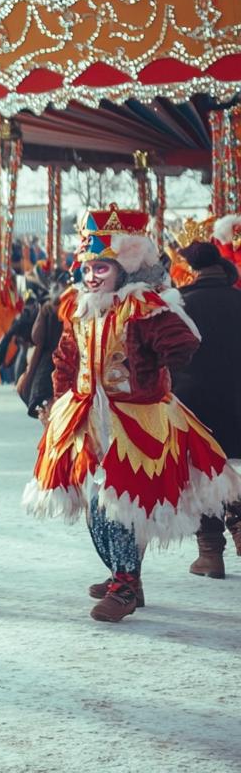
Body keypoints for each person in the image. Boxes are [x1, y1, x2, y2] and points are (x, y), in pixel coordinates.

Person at [24, 206, 240, 622]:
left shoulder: (142, 305)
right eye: (87, 268)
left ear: (125, 267)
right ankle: (124, 576)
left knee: (120, 499)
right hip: (86, 417)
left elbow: (182, 343)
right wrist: (56, 400)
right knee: (93, 500)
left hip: (135, 421)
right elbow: (65, 359)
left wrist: (157, 351)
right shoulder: (79, 306)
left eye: (101, 267)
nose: (91, 276)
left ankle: (124, 583)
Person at [172, 241, 241, 578]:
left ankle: (210, 553)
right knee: (225, 468)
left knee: (201, 474)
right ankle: (239, 525)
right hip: (237, 402)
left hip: (193, 403)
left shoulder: (181, 303)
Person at [15, 268, 70, 420]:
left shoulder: (74, 308)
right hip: (51, 364)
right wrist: (41, 312)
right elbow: (36, 338)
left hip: (63, 366)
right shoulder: (50, 308)